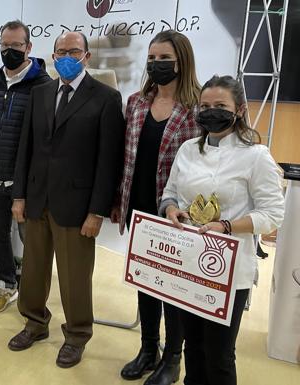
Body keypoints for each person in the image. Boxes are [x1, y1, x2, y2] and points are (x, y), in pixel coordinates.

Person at [7, 32, 125, 368]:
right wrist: (19, 195)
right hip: (36, 199)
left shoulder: (105, 98)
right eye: (60, 52)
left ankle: (76, 335)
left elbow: (108, 161)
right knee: (32, 269)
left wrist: (97, 211)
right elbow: (25, 148)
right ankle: (34, 321)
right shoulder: (41, 93)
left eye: (73, 51)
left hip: (77, 205)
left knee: (74, 276)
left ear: (87, 56)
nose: (66, 57)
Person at [160, 75, 285, 385]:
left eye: (220, 106)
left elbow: (273, 214)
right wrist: (171, 209)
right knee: (193, 347)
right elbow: (169, 192)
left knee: (219, 354)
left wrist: (228, 225)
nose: (210, 112)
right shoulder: (189, 148)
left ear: (239, 110)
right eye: (204, 106)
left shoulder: (256, 156)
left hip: (228, 269)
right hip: (187, 260)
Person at [112, 30, 201, 385]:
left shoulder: (196, 108)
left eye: (164, 58)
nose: (156, 64)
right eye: (151, 58)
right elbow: (125, 155)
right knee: (147, 281)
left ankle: (173, 358)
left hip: (175, 213)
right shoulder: (136, 101)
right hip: (138, 206)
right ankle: (148, 348)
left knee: (174, 289)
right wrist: (118, 199)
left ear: (182, 61)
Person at [0, 20, 51, 314]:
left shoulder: (44, 86)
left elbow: (44, 140)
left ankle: (32, 295)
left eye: (16, 46)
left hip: (26, 185)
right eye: (5, 45)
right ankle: (6, 283)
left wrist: (30, 181)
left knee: (30, 240)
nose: (9, 51)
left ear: (28, 47)